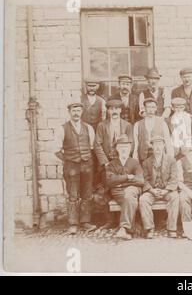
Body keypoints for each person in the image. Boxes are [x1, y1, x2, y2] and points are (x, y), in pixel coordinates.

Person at [54, 102, 96, 234]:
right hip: (71, 167)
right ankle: (73, 224)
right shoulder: (62, 128)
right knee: (72, 194)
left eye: (78, 110)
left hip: (87, 166)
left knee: (87, 194)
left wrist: (86, 160)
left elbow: (91, 147)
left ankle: (85, 222)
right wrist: (68, 160)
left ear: (82, 112)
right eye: (74, 111)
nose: (76, 113)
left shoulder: (88, 128)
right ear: (69, 112)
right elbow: (56, 150)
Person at [93, 99, 134, 229]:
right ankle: (110, 220)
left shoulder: (127, 125)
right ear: (108, 111)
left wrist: (123, 160)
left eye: (117, 109)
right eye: (111, 109)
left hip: (122, 164)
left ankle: (127, 220)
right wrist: (105, 163)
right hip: (107, 164)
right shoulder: (102, 126)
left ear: (121, 110)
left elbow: (131, 144)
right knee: (104, 191)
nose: (114, 111)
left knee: (122, 189)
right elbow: (97, 144)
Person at [105, 134, 145, 240]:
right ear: (117, 148)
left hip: (132, 190)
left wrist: (121, 183)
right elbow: (109, 181)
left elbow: (140, 181)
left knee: (129, 195)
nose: (124, 149)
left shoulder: (135, 163)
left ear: (130, 148)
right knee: (131, 201)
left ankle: (123, 228)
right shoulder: (112, 164)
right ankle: (130, 229)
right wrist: (127, 177)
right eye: (121, 147)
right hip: (118, 192)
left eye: (126, 147)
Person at [140, 136, 180, 239]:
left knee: (175, 197)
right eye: (155, 145)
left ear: (164, 146)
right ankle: (149, 229)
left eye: (160, 145)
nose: (158, 148)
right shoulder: (146, 162)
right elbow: (144, 179)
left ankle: (172, 229)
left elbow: (174, 178)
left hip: (167, 190)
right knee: (143, 199)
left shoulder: (171, 160)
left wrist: (166, 190)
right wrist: (152, 190)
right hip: (153, 190)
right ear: (152, 146)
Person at [133, 97, 173, 164]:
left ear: (156, 108)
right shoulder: (137, 124)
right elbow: (136, 144)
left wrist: (170, 158)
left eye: (153, 107)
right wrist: (135, 157)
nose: (151, 110)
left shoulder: (162, 123)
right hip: (143, 159)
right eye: (148, 107)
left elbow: (168, 142)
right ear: (144, 108)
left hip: (159, 159)